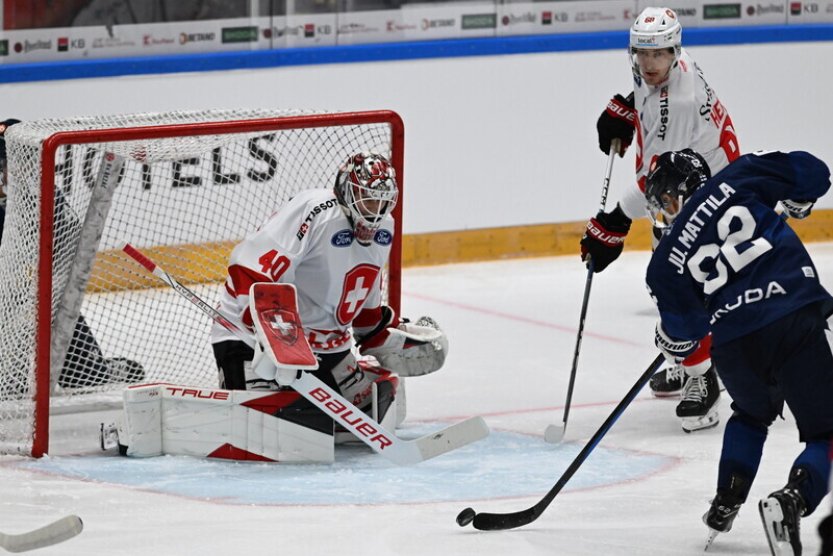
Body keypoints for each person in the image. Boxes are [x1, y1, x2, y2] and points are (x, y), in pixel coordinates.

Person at [643, 148, 833, 555]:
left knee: (750, 414)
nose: (665, 210)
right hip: (791, 311)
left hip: (733, 340)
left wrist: (667, 339)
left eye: (666, 200)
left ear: (679, 192)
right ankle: (793, 499)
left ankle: (726, 500)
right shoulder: (741, 175)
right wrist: (797, 198)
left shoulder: (662, 263)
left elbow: (687, 332)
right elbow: (816, 173)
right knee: (826, 433)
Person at [581, 6, 741, 432]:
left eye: (658, 55)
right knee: (669, 279)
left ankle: (702, 379)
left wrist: (613, 223)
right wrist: (626, 107)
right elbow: (647, 101)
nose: (648, 64)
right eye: (642, 54)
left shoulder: (680, 103)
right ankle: (685, 354)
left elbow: (662, 184)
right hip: (683, 183)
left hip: (705, 193)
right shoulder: (653, 70)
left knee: (676, 283)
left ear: (675, 51)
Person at [210, 152, 446, 438]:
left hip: (324, 348)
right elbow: (249, 268)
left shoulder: (385, 227)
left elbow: (365, 294)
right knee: (265, 426)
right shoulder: (316, 210)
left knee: (365, 412)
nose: (376, 209)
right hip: (250, 336)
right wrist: (277, 339)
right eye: (368, 198)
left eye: (384, 201)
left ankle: (352, 373)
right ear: (347, 191)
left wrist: (382, 337)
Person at [0, 119, 144, 394]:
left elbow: (66, 251)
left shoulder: (41, 196)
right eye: (15, 161)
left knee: (52, 304)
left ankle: (89, 368)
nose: (26, 168)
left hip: (22, 301)